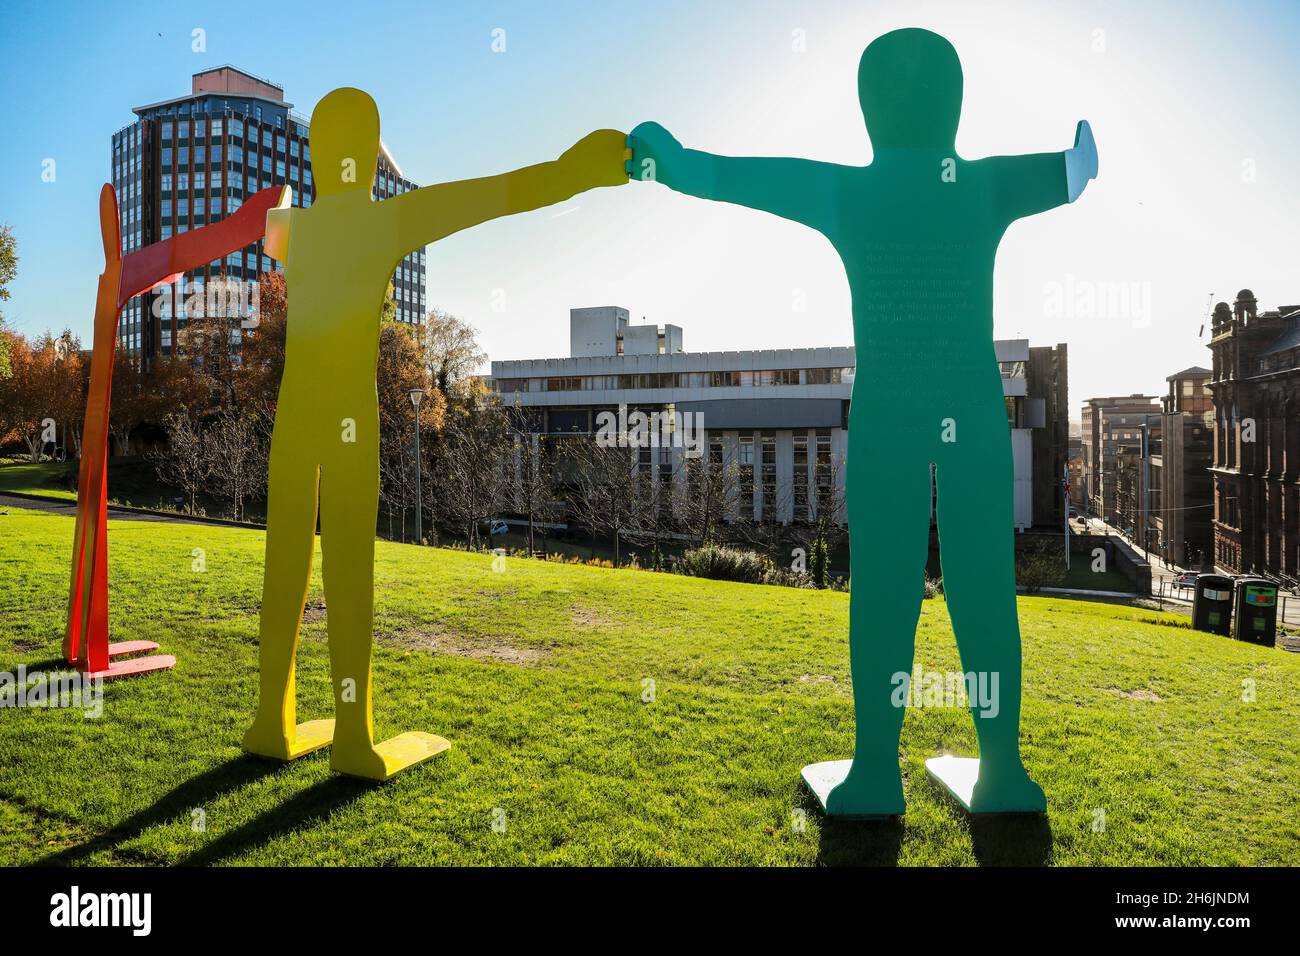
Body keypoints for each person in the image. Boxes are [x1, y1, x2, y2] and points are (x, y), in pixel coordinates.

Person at [629, 28, 1097, 813]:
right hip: (973, 418)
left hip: (887, 414)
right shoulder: (981, 184)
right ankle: (1004, 772)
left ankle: (876, 774)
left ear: (868, 109)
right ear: (954, 105)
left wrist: (664, 158)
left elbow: (727, 178)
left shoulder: (846, 191)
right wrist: (1081, 143)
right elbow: (1077, 170)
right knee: (984, 587)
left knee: (883, 587)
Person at [242, 87, 629, 780]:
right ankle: (353, 738)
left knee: (285, 563)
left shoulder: (292, 228)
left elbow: (269, 229)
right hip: (347, 423)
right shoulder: (387, 221)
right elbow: (493, 195)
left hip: (292, 421)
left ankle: (272, 720)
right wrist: (573, 172)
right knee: (348, 569)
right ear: (369, 151)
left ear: (316, 153)